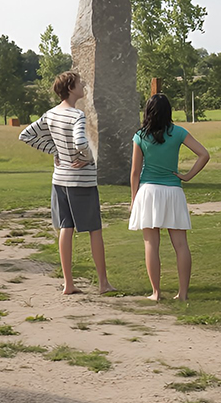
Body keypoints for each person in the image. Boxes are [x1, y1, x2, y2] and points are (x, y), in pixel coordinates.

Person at [19, 71, 114, 295]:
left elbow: (26, 135)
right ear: (70, 88)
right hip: (82, 182)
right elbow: (81, 142)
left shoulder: (50, 114)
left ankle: (68, 284)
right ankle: (103, 284)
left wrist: (56, 151)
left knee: (66, 228)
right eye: (80, 83)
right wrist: (85, 157)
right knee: (95, 231)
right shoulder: (76, 115)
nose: (83, 86)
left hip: (59, 180)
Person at [129, 94, 210, 301]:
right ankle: (182, 294)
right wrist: (187, 176)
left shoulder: (140, 136)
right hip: (173, 191)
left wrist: (133, 198)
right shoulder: (179, 132)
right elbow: (204, 154)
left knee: (151, 244)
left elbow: (135, 172)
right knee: (181, 245)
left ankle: (156, 292)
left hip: (148, 191)